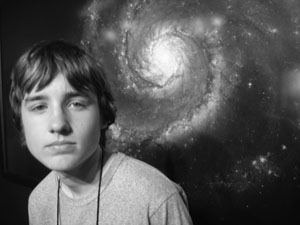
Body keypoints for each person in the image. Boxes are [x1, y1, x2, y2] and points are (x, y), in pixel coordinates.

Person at [9, 40, 193, 225]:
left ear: (103, 116)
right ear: (21, 122)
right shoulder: (38, 201)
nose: (58, 124)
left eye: (76, 104)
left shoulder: (156, 198)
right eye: (40, 106)